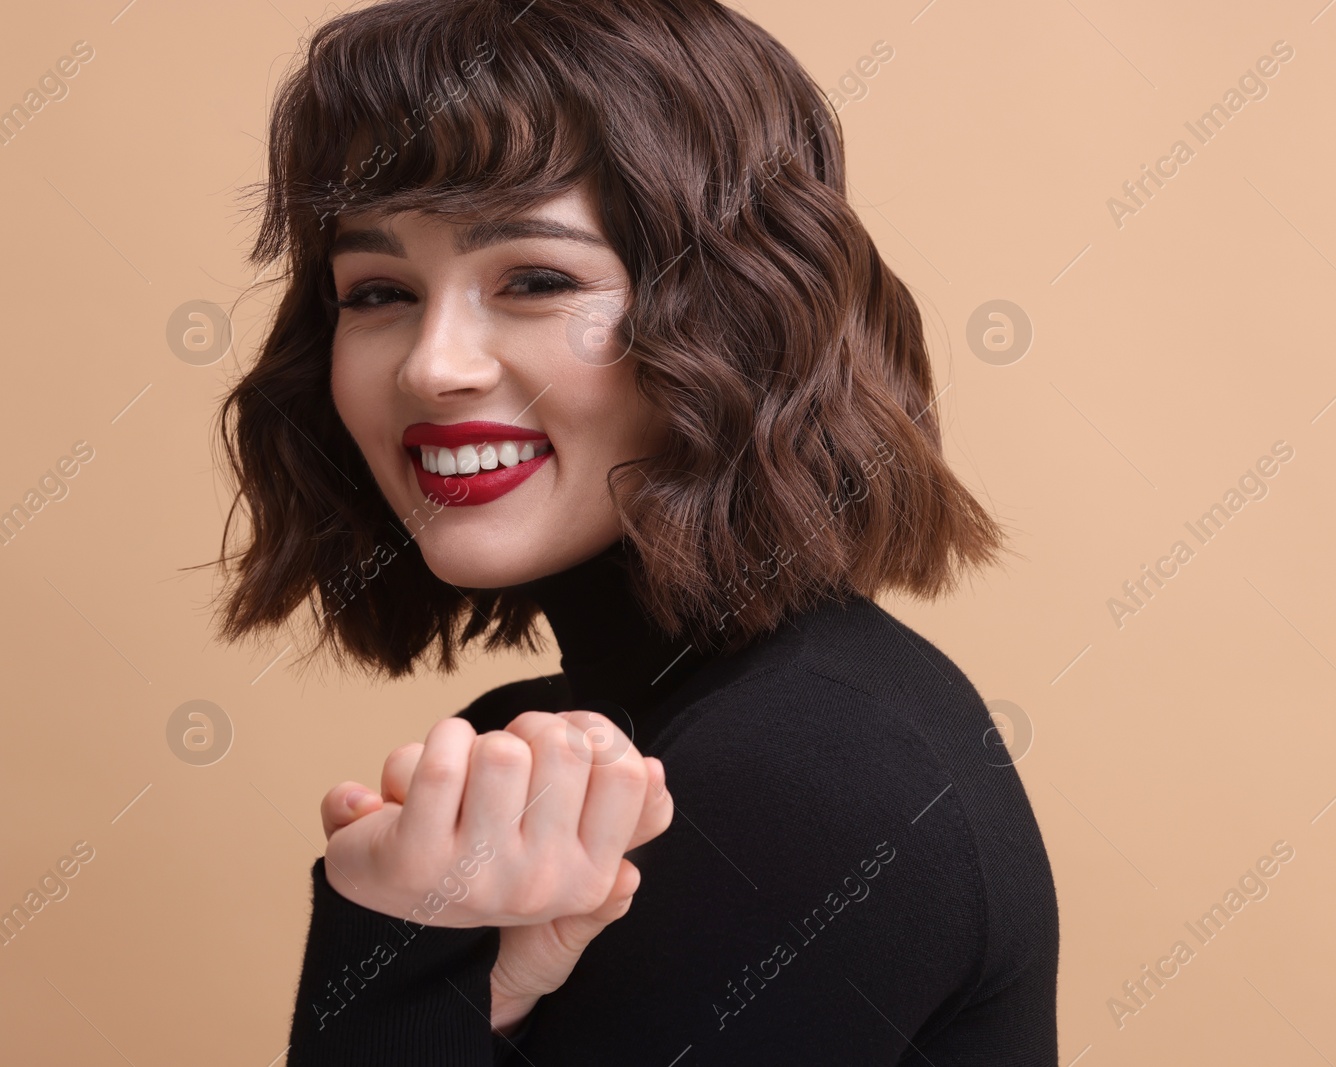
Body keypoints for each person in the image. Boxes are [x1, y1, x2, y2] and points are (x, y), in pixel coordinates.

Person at [214, 0, 1059, 1062]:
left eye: (534, 279)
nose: (432, 365)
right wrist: (492, 995)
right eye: (378, 290)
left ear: (734, 312)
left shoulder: (799, 774)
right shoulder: (567, 741)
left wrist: (387, 945)